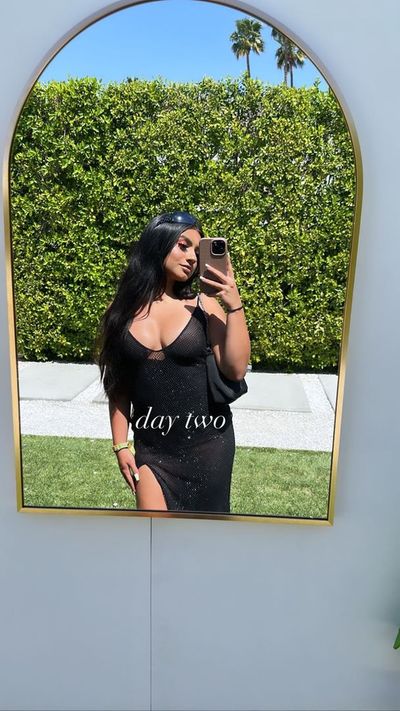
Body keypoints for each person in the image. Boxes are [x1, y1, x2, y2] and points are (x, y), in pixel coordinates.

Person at [96, 211, 250, 512]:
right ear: (158, 243)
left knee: (204, 537)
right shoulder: (120, 311)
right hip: (152, 452)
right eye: (183, 246)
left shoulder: (203, 306)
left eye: (197, 251)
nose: (192, 257)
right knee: (154, 535)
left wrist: (234, 305)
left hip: (208, 446)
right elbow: (118, 386)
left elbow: (235, 369)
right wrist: (120, 445)